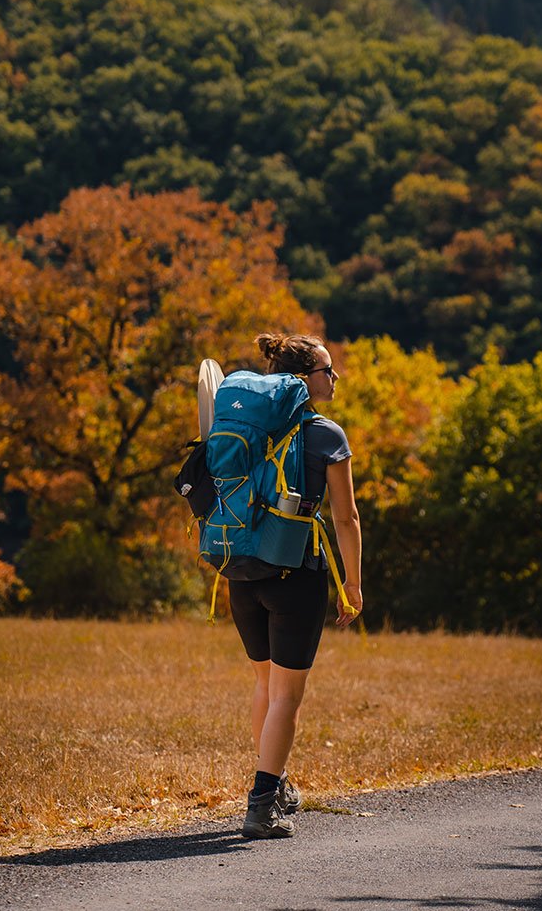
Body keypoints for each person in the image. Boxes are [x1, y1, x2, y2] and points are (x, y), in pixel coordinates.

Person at [229, 332, 363, 840]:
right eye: (328, 370)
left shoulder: (245, 423)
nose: (335, 378)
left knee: (266, 685)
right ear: (306, 379)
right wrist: (353, 582)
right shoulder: (326, 434)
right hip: (295, 575)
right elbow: (346, 517)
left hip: (241, 573)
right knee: (288, 696)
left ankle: (276, 782)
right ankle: (262, 805)